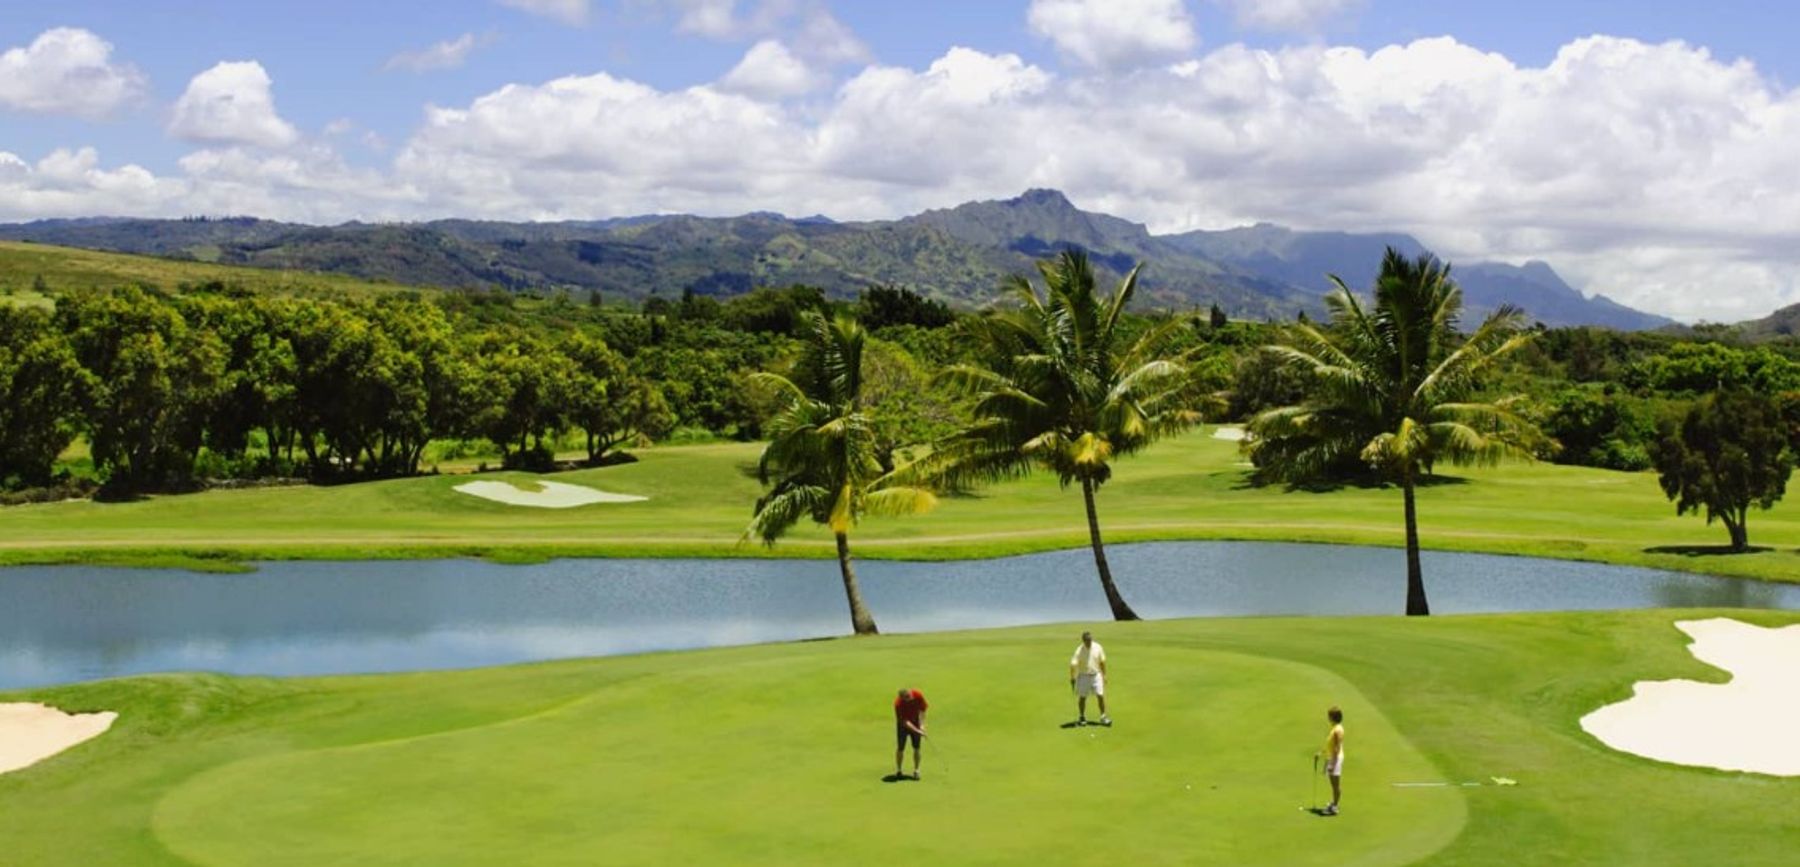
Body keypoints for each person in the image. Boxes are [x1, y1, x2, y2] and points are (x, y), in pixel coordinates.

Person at [1068, 631, 1109, 726]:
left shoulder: (1098, 647)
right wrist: (1072, 677)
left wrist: (1104, 675)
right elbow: (1073, 664)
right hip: (1083, 676)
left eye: (1090, 640)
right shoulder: (1079, 650)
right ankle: (1082, 716)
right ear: (1083, 641)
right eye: (1087, 641)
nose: (1089, 642)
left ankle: (1103, 717)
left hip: (1096, 675)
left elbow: (1102, 661)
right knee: (1082, 697)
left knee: (1100, 695)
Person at [894, 687, 928, 779]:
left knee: (917, 748)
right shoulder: (898, 704)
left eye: (910, 695)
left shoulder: (917, 694)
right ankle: (899, 770)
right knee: (900, 748)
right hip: (903, 727)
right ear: (903, 698)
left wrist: (922, 725)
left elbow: (923, 709)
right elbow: (905, 722)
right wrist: (918, 731)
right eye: (908, 697)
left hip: (916, 721)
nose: (911, 698)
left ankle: (916, 770)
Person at [1320, 706, 1346, 815]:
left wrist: (1332, 765)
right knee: (1333, 783)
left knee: (1335, 784)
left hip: (1335, 759)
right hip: (1333, 757)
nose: (1328, 718)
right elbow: (1330, 745)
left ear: (1332, 717)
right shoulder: (1336, 727)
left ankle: (1334, 807)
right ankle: (1334, 803)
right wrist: (1321, 753)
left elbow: (1336, 748)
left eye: (1329, 716)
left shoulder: (1337, 730)